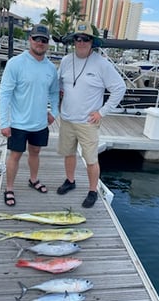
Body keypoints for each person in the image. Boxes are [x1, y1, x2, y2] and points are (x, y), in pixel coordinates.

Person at [57, 21, 126, 208]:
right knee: (68, 154)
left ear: (92, 41)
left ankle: (92, 190)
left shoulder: (102, 64)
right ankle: (70, 181)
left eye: (85, 39)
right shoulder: (65, 61)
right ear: (73, 41)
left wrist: (102, 112)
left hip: (88, 121)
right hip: (67, 119)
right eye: (78, 38)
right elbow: (60, 87)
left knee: (91, 159)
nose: (81, 42)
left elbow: (120, 88)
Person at [0, 24, 59, 206]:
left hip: (40, 123)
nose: (40, 43)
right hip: (18, 123)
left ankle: (33, 179)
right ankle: (9, 188)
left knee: (35, 152)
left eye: (44, 40)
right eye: (36, 39)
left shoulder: (51, 68)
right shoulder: (15, 63)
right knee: (14, 155)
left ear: (48, 44)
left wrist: (54, 112)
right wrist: (4, 122)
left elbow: (55, 93)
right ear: (29, 40)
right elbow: (5, 94)